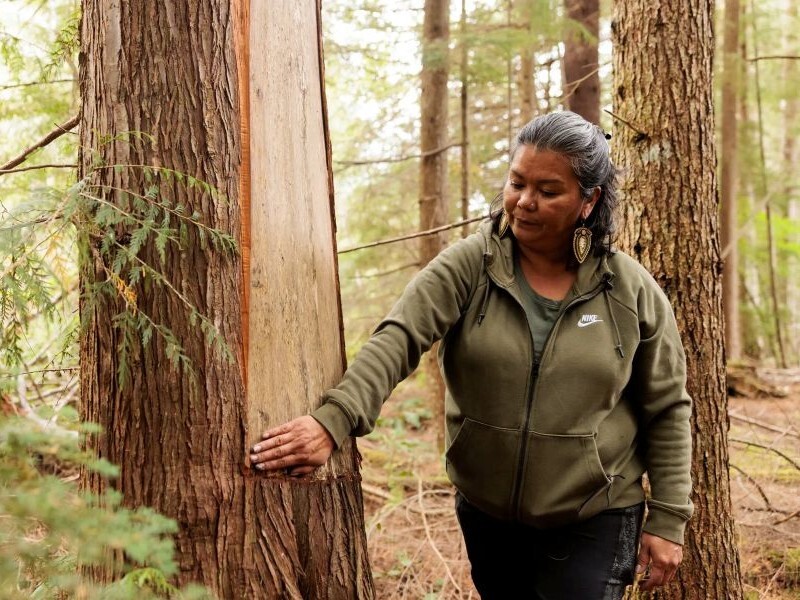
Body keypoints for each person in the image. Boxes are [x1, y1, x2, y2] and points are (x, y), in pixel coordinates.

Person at [249, 111, 693, 599]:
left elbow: (667, 406)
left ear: (589, 201)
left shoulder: (629, 291)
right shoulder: (472, 265)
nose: (524, 202)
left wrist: (669, 517)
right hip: (488, 515)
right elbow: (399, 337)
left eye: (548, 191)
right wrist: (333, 420)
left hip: (596, 512)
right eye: (517, 182)